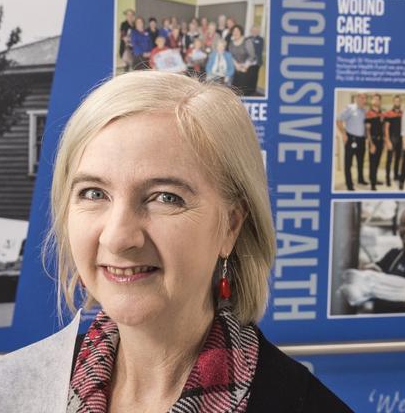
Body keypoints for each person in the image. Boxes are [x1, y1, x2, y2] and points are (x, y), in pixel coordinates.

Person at [49, 71, 350, 412]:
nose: (118, 237)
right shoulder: (30, 385)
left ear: (231, 226)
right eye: (94, 193)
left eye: (165, 197)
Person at [335, 93, 368, 191]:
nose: (363, 99)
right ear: (357, 98)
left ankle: (360, 179)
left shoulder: (365, 110)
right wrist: (343, 133)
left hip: (361, 140)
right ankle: (349, 184)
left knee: (360, 162)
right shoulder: (350, 108)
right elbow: (338, 119)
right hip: (351, 139)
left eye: (364, 98)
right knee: (348, 163)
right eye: (361, 97)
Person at [229, 25, 258, 96]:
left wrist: (245, 66)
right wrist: (236, 65)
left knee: (243, 84)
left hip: (248, 65)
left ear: (241, 32)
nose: (235, 32)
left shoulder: (247, 41)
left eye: (237, 31)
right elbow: (231, 56)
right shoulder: (231, 43)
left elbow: (252, 56)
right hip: (236, 66)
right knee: (234, 87)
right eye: (234, 31)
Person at [365, 94, 386, 188]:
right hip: (372, 141)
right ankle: (372, 184)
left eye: (378, 99)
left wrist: (384, 140)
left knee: (377, 162)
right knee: (372, 162)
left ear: (380, 101)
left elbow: (383, 128)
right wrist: (371, 144)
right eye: (374, 99)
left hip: (380, 141)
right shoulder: (369, 113)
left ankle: (374, 179)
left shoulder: (382, 113)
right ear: (372, 101)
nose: (376, 101)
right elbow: (367, 130)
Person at [383, 96, 403, 188]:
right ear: (393, 102)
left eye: (398, 101)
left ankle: (395, 175)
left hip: (400, 139)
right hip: (392, 139)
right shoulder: (388, 113)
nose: (397, 102)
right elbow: (386, 128)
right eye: (396, 101)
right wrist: (387, 140)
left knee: (398, 159)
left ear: (400, 102)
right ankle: (387, 178)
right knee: (389, 160)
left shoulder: (403, 113)